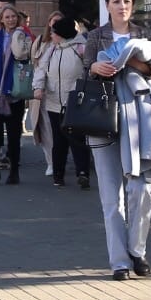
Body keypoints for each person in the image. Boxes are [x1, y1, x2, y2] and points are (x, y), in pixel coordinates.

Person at [82, 0, 151, 281]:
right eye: (117, 1)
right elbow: (83, 71)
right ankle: (119, 261)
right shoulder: (95, 36)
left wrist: (137, 65)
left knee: (141, 188)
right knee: (111, 196)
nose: (122, 6)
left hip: (138, 119)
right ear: (107, 5)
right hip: (103, 119)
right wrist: (96, 66)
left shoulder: (142, 34)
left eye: (127, 1)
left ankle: (138, 250)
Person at [31, 14, 92, 189]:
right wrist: (38, 87)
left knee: (77, 138)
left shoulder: (81, 48)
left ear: (63, 33)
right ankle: (58, 174)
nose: (51, 35)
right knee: (58, 140)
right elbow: (41, 70)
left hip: (75, 101)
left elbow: (90, 69)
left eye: (55, 32)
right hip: (53, 101)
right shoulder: (51, 50)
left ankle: (83, 173)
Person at [0, 5, 34, 184]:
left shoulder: (24, 36)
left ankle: (14, 171)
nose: (11, 19)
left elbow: (25, 56)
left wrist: (19, 36)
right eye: (7, 17)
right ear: (1, 19)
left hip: (15, 91)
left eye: (14, 16)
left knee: (13, 135)